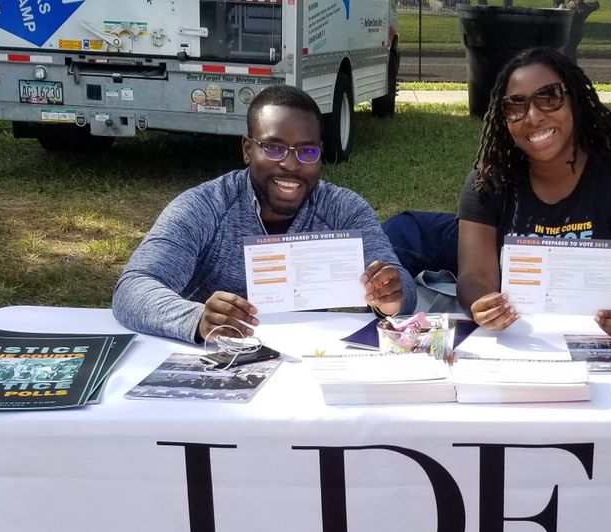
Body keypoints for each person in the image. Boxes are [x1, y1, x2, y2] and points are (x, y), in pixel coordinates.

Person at [112, 85, 414, 343]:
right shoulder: (205, 207)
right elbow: (132, 289)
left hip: (308, 360)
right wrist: (198, 318)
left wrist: (392, 298)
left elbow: (403, 289)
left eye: (307, 152)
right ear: (247, 149)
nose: (291, 165)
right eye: (274, 148)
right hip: (219, 364)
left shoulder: (343, 210)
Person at [457, 47, 611, 341]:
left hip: (610, 348)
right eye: (516, 105)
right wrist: (482, 304)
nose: (533, 116)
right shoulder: (487, 184)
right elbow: (473, 277)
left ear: (574, 100)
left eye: (549, 97)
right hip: (520, 346)